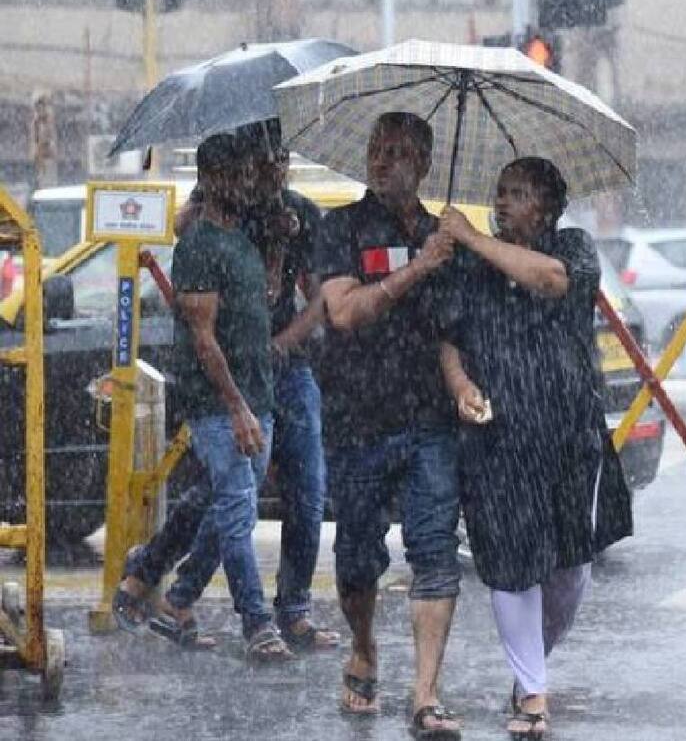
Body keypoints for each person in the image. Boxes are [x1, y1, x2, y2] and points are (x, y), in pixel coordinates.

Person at [112, 127, 337, 654]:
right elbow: (183, 235)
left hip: (284, 365)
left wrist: (284, 340)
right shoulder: (227, 208)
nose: (271, 169)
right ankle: (186, 592)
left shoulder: (300, 212)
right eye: (261, 160)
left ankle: (287, 608)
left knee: (303, 491)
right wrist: (218, 198)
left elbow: (321, 297)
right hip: (227, 373)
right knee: (227, 492)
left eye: (279, 159)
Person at [437, 157, 633, 739]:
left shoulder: (572, 248)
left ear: (546, 208)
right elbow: (449, 337)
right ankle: (532, 691)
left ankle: (532, 666)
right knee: (511, 564)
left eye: (517, 194)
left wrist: (471, 235)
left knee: (571, 567)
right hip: (499, 439)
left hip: (568, 435)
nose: (502, 204)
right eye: (499, 192)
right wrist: (460, 384)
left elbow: (549, 281)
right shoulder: (469, 264)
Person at [315, 112, 462, 736]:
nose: (383, 160)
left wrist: (461, 384)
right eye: (377, 149)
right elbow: (345, 312)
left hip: (428, 419)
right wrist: (418, 268)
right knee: (355, 560)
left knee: (434, 550)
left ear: (423, 164)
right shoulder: (341, 228)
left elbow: (454, 329)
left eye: (399, 152)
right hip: (358, 419)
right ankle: (365, 646)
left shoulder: (444, 236)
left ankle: (425, 693)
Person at [163, 131, 290, 661]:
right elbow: (202, 336)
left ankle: (178, 597)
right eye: (238, 175)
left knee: (228, 505)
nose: (248, 183)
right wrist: (236, 408)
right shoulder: (198, 246)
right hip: (220, 404)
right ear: (213, 180)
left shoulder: (241, 238)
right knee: (238, 511)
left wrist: (279, 246)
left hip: (255, 395)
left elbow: (264, 298)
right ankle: (258, 624)